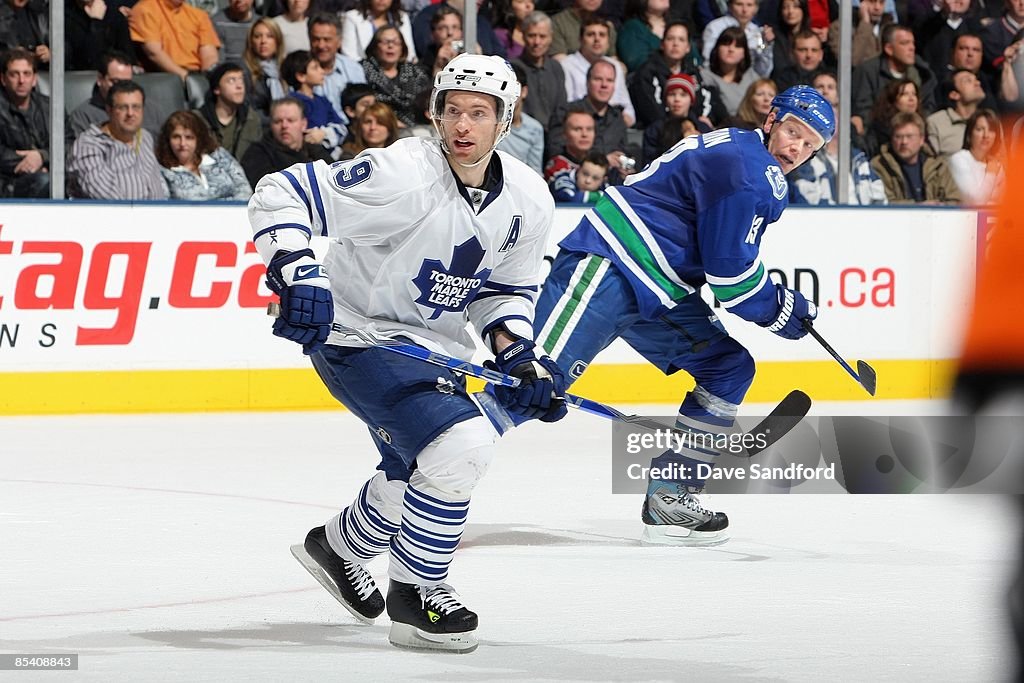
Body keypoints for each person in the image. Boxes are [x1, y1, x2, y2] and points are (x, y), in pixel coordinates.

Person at [247, 53, 564, 652]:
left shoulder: (528, 197)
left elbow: (505, 291)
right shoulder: (401, 174)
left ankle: (339, 548)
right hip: (356, 336)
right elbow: (279, 194)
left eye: (479, 113)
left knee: (417, 468)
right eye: (453, 111)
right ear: (436, 114)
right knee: (461, 444)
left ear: (506, 120)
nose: (463, 125)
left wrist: (518, 353)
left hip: (431, 348)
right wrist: (299, 273)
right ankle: (417, 595)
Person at [518, 85, 835, 546]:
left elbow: (726, 262)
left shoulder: (749, 158)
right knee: (526, 385)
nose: (796, 148)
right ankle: (416, 474)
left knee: (728, 368)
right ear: (770, 119)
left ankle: (671, 492)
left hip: (660, 287)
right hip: (613, 264)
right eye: (792, 132)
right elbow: (731, 278)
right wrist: (782, 309)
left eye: (809, 145)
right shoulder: (750, 170)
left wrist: (778, 304)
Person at [68, 80, 168, 199]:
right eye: (123, 107)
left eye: (136, 107)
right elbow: (106, 197)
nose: (130, 113)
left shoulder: (146, 138)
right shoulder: (89, 145)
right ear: (109, 110)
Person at [156, 110, 252, 200]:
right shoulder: (162, 170)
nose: (182, 143)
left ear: (198, 139)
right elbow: (164, 204)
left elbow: (245, 190)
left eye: (189, 137)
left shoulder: (219, 155)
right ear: (167, 140)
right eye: (176, 137)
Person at [870, 110, 961, 203]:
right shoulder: (879, 166)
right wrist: (919, 207)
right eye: (898, 137)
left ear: (921, 139)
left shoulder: (939, 167)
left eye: (909, 136)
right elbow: (883, 204)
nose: (904, 142)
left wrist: (938, 206)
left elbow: (956, 200)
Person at [239, 96, 332, 187]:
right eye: (278, 121)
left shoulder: (315, 150)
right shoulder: (257, 153)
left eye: (290, 120)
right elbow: (269, 188)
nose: (284, 125)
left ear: (303, 124)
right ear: (271, 124)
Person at [0, 47, 49, 198]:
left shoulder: (50, 107)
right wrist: (32, 164)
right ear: (3, 79)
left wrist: (42, 156)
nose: (21, 81)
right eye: (14, 74)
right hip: (8, 181)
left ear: (34, 79)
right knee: (44, 181)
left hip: (47, 171)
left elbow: (69, 143)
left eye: (27, 74)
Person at [129, 0, 221, 79]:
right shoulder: (145, 9)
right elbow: (154, 53)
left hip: (196, 75)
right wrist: (186, 77)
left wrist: (207, 78)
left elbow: (209, 55)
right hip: (161, 75)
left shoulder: (199, 15)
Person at [359, 26, 430, 127]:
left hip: (415, 127)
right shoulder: (362, 71)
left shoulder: (416, 73)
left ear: (402, 48)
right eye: (385, 42)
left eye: (396, 42)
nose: (390, 46)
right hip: (378, 126)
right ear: (375, 47)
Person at [195, 62, 264, 162]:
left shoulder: (251, 119)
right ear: (217, 89)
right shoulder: (197, 120)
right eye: (231, 80)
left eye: (241, 80)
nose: (239, 86)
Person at [512, 11, 566, 132]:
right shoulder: (513, 69)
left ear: (551, 37)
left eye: (542, 36)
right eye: (532, 35)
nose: (537, 42)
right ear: (523, 36)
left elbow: (560, 110)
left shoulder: (556, 68)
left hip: (554, 137)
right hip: (524, 136)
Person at [948, 108, 1005, 205]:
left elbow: (1005, 203)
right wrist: (991, 173)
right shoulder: (959, 159)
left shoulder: (998, 166)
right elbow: (976, 202)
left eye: (991, 130)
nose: (986, 135)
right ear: (970, 134)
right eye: (979, 129)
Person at [342, 0, 415, 62]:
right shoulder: (352, 17)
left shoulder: (402, 17)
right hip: (363, 71)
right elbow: (349, 55)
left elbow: (410, 53)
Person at [243, 18, 287, 120]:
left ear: (278, 41)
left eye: (270, 36)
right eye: (257, 36)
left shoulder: (285, 69)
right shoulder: (244, 71)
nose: (263, 41)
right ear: (251, 42)